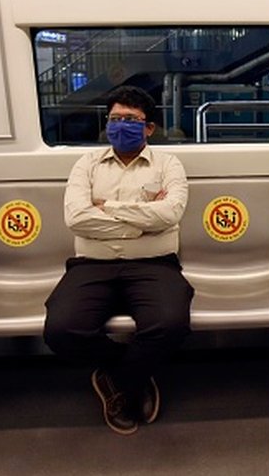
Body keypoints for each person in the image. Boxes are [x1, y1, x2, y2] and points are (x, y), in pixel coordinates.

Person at [43, 85, 193, 436]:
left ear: (149, 128)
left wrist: (106, 208)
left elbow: (170, 213)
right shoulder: (87, 164)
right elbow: (76, 219)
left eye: (131, 120)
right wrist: (141, 222)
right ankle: (130, 374)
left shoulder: (169, 164)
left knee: (170, 324)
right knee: (62, 330)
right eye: (115, 119)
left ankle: (123, 385)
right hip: (92, 265)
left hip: (155, 263)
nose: (120, 126)